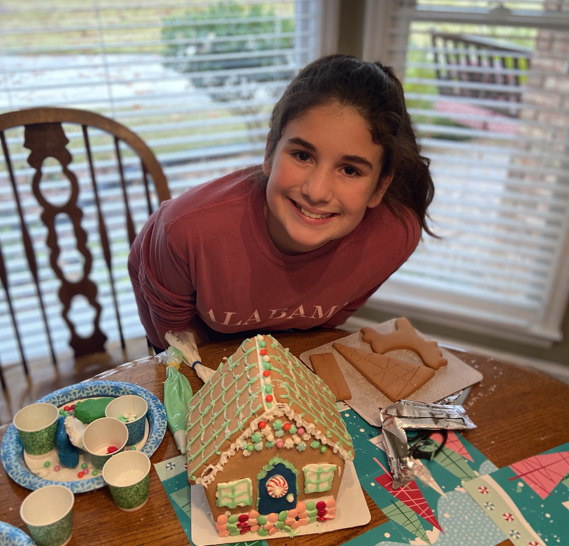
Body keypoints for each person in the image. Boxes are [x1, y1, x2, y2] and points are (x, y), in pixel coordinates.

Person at [128, 54, 435, 352]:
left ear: (380, 187)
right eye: (302, 155)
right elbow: (179, 348)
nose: (316, 192)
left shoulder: (395, 236)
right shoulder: (184, 231)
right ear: (269, 153)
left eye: (350, 170)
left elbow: (319, 330)